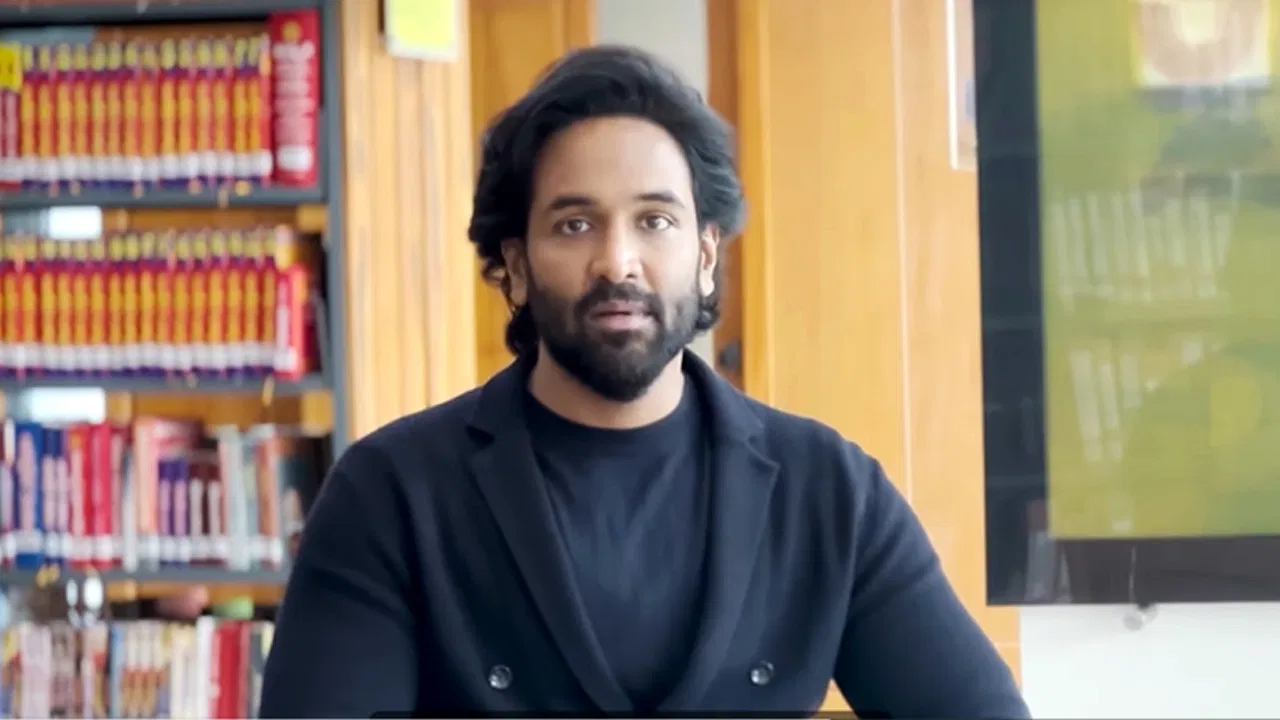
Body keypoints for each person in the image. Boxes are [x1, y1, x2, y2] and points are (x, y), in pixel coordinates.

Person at [258, 46, 1029, 719]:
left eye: (654, 221)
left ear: (705, 254)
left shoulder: (828, 492)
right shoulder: (392, 494)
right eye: (574, 224)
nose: (617, 261)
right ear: (516, 266)